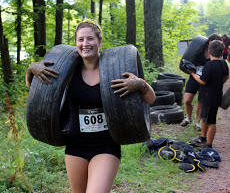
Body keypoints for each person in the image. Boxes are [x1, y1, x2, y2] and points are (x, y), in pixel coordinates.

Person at [25, 19, 156, 193]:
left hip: (106, 146)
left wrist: (141, 84)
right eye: (80, 39)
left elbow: (150, 100)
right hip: (75, 145)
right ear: (76, 43)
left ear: (100, 41)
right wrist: (31, 70)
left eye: (90, 39)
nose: (85, 44)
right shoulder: (68, 72)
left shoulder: (116, 70)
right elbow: (38, 93)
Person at [188, 40, 229, 149]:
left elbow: (202, 81)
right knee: (204, 117)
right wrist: (219, 83)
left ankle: (209, 145)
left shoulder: (209, 65)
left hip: (209, 98)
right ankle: (202, 138)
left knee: (211, 121)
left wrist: (192, 74)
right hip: (215, 96)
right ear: (221, 53)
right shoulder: (223, 63)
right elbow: (226, 77)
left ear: (209, 52)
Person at [180, 33, 222, 131]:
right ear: (209, 42)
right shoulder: (199, 49)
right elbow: (188, 57)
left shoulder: (215, 54)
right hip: (194, 77)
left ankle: (197, 123)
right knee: (187, 100)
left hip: (205, 80)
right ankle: (188, 118)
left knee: (201, 102)